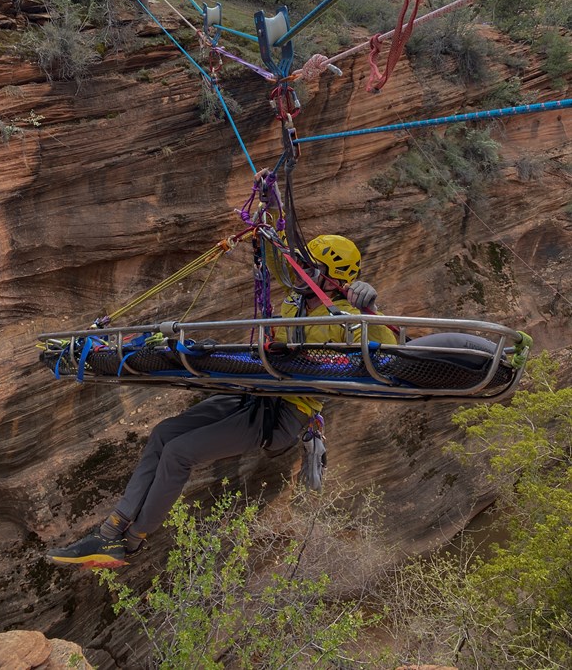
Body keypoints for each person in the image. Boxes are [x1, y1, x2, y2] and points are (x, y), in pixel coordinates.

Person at [47, 218, 394, 568]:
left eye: (311, 268)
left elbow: (390, 350)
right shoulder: (297, 300)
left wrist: (370, 308)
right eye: (303, 265)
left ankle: (133, 540)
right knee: (163, 434)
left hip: (284, 412)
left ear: (333, 280)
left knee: (180, 452)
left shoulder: (345, 315)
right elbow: (282, 260)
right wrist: (267, 212)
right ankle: (110, 531)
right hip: (253, 390)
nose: (301, 272)